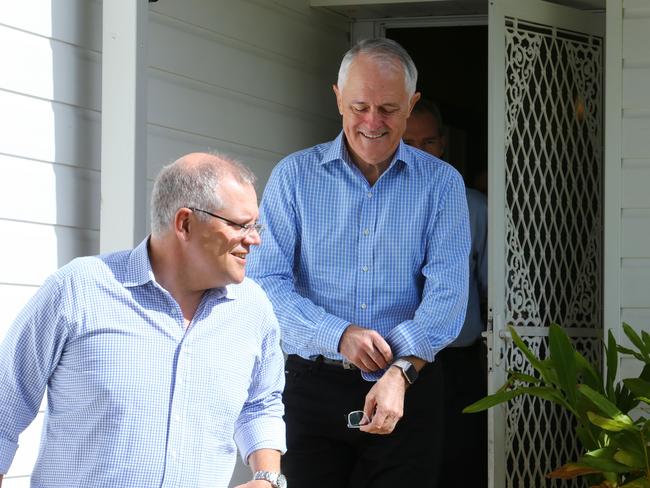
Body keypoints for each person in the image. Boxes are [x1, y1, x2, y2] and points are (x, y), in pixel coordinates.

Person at [248, 38, 471, 487]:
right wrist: (338, 334)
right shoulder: (294, 176)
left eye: (388, 108)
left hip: (409, 385)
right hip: (310, 385)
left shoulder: (443, 185)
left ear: (412, 105)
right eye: (359, 106)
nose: (372, 122)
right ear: (337, 99)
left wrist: (399, 373)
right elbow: (264, 282)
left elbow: (447, 296)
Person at [0, 153, 287, 488]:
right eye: (240, 225)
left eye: (255, 225)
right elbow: (5, 406)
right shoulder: (78, 290)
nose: (254, 240)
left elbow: (260, 403)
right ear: (185, 224)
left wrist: (266, 478)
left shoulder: (253, 309)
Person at [404, 99, 488, 488]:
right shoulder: (370, 203)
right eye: (409, 142)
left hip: (456, 362)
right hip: (393, 359)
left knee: (460, 462)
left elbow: (491, 289)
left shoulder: (475, 208)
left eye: (428, 142)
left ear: (443, 146)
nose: (419, 153)